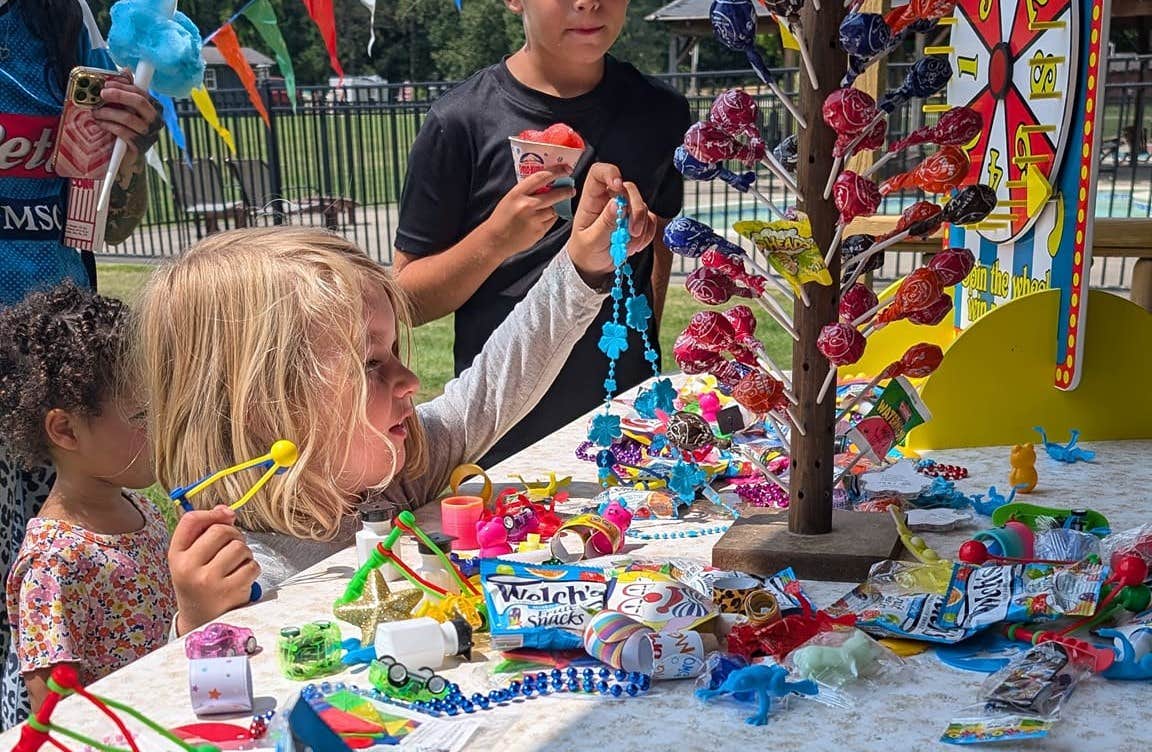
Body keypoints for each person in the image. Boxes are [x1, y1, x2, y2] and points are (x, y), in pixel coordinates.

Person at [137, 164, 655, 587]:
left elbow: (497, 382)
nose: (408, 379)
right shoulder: (241, 571)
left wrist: (582, 264)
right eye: (370, 364)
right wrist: (198, 626)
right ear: (265, 405)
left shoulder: (402, 469)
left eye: (393, 351)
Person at [393, 0, 692, 466]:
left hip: (628, 416)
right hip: (506, 431)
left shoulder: (662, 111)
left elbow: (657, 242)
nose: (589, 2)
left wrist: (646, 343)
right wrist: (494, 240)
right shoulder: (460, 122)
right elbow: (405, 300)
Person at [0, 0, 160, 728]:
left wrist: (133, 151)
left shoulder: (62, 23)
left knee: (57, 607)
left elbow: (110, 219)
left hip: (52, 373)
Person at [0, 284, 256, 716]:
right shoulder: (53, 564)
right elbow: (59, 720)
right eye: (141, 416)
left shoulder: (141, 510)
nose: (161, 428)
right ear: (65, 430)